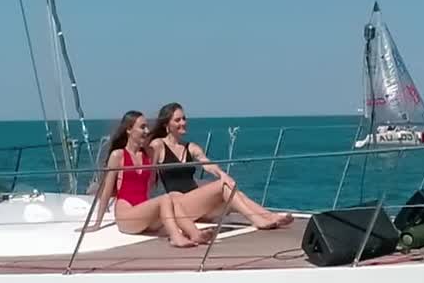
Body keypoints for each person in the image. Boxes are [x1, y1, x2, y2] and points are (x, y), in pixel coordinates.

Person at [147, 102, 292, 230]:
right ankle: (257, 220)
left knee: (235, 192)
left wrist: (223, 175)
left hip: (197, 205)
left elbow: (209, 165)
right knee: (223, 186)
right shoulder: (158, 145)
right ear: (167, 125)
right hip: (180, 206)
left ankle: (270, 216)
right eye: (177, 120)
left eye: (184, 118)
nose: (183, 122)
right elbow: (149, 175)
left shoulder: (191, 147)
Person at [84, 111, 208, 248]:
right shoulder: (118, 155)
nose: (147, 131)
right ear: (129, 130)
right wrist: (97, 223)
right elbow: (107, 191)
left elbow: (151, 184)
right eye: (142, 127)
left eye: (147, 127)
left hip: (143, 214)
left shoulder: (149, 155)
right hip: (126, 216)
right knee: (165, 198)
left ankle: (194, 233)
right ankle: (175, 237)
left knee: (173, 196)